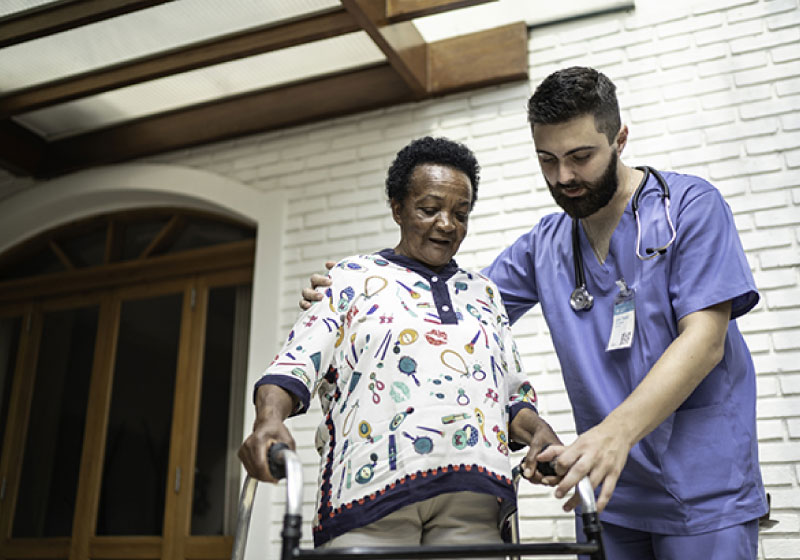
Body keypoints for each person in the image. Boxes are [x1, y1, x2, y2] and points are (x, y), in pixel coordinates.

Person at [301, 67, 768, 559]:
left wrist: (613, 434)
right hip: (609, 492)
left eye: (580, 157)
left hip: (704, 489)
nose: (564, 176)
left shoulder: (690, 208)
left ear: (620, 139)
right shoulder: (545, 246)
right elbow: (454, 311)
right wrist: (362, 289)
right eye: (547, 160)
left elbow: (705, 340)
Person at [239, 136, 560, 550]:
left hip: (473, 497)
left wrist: (539, 433)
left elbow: (512, 396)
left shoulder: (485, 294)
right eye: (429, 209)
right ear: (397, 208)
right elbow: (291, 366)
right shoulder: (351, 279)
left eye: (460, 214)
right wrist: (269, 420)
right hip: (369, 496)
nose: (447, 224)